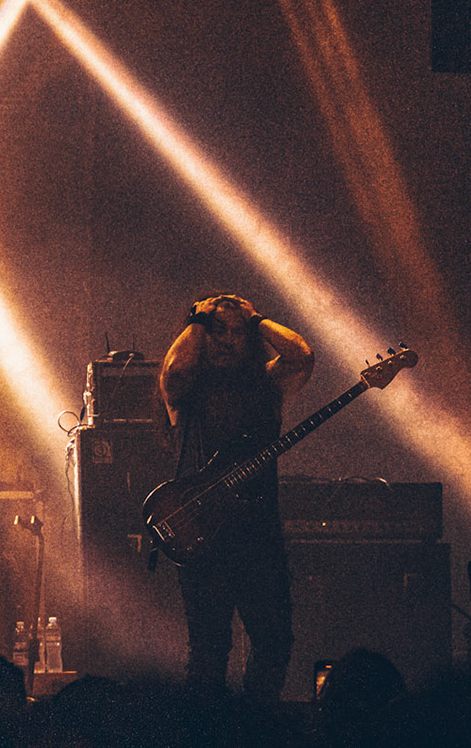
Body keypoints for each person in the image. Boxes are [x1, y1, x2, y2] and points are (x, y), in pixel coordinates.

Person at [157, 293, 313, 700]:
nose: (227, 340)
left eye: (236, 332)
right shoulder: (186, 390)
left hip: (258, 534)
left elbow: (302, 356)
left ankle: (255, 721)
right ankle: (208, 727)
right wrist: (198, 319)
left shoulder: (267, 381)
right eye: (218, 331)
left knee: (274, 642)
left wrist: (255, 319)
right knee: (209, 650)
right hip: (201, 534)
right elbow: (174, 370)